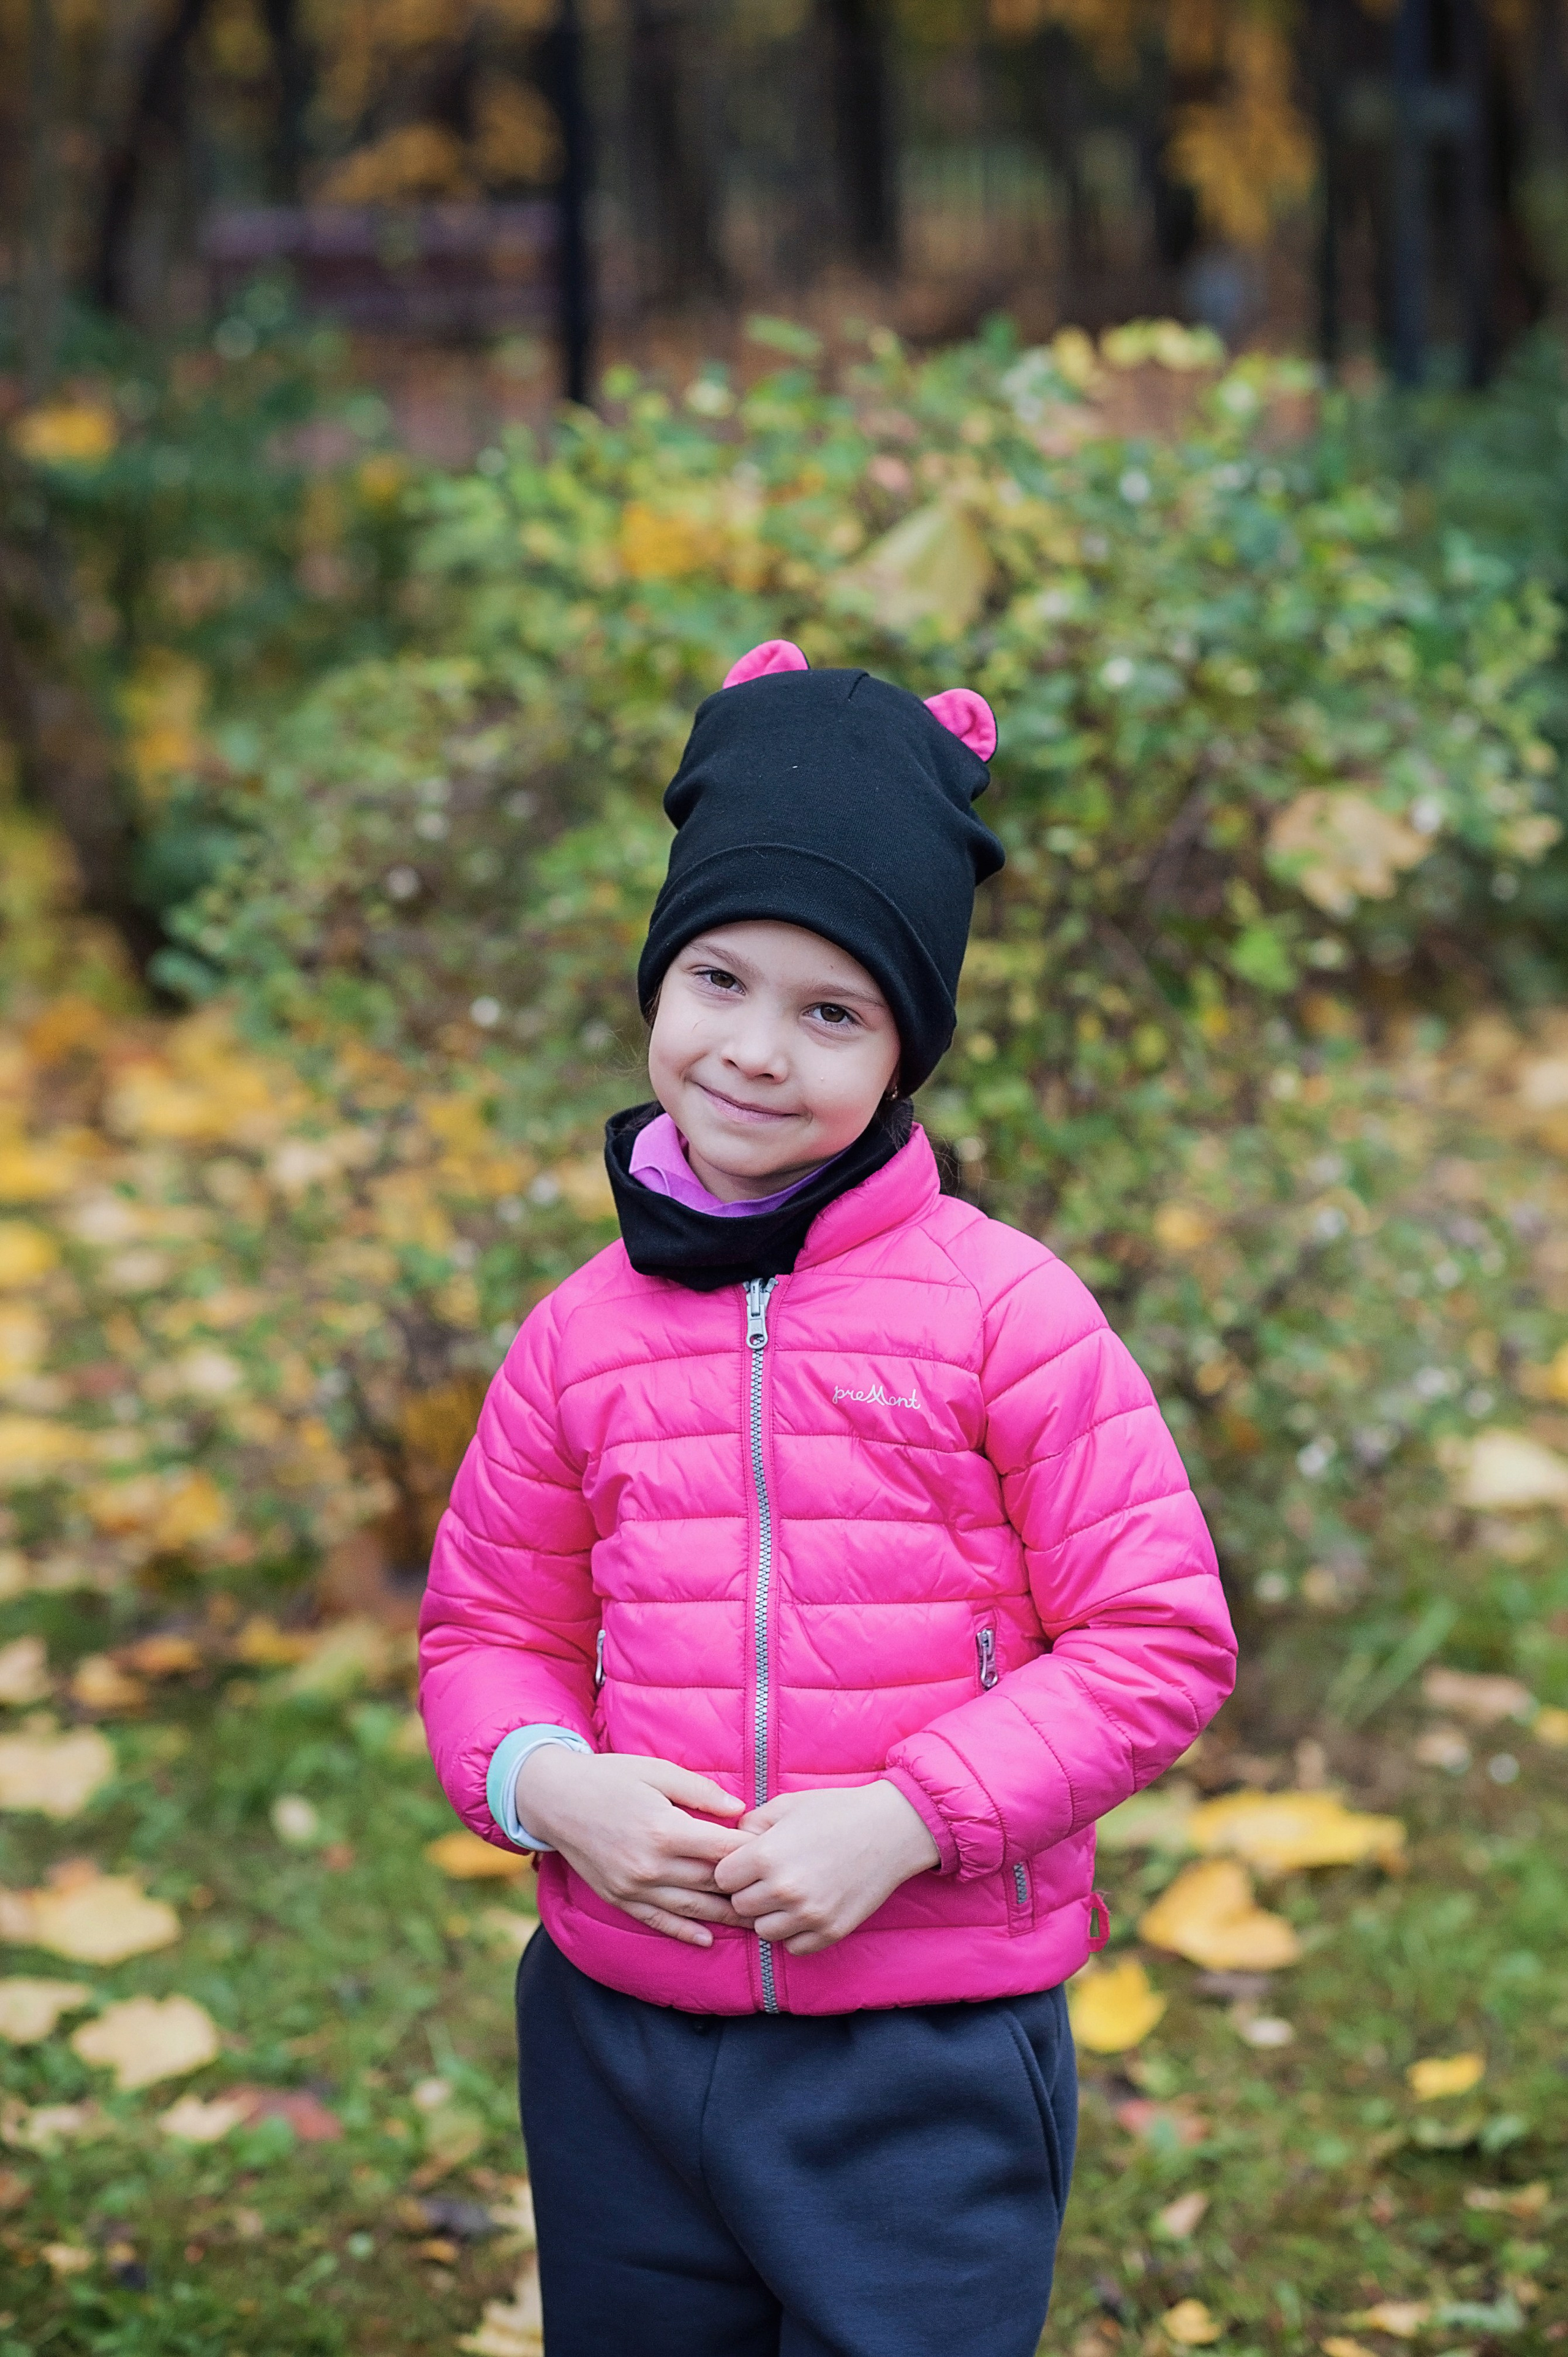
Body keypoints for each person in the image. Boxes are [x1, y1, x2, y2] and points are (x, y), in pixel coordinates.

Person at [419, 640, 1237, 2357]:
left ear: (906, 1048)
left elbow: (1157, 1638)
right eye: (719, 979)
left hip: (920, 2049)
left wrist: (913, 1816)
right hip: (622, 2042)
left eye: (832, 1011)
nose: (757, 1053)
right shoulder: (579, 1337)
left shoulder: (1007, 1313)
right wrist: (551, 1787)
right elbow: (488, 1630)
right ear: (659, 976)